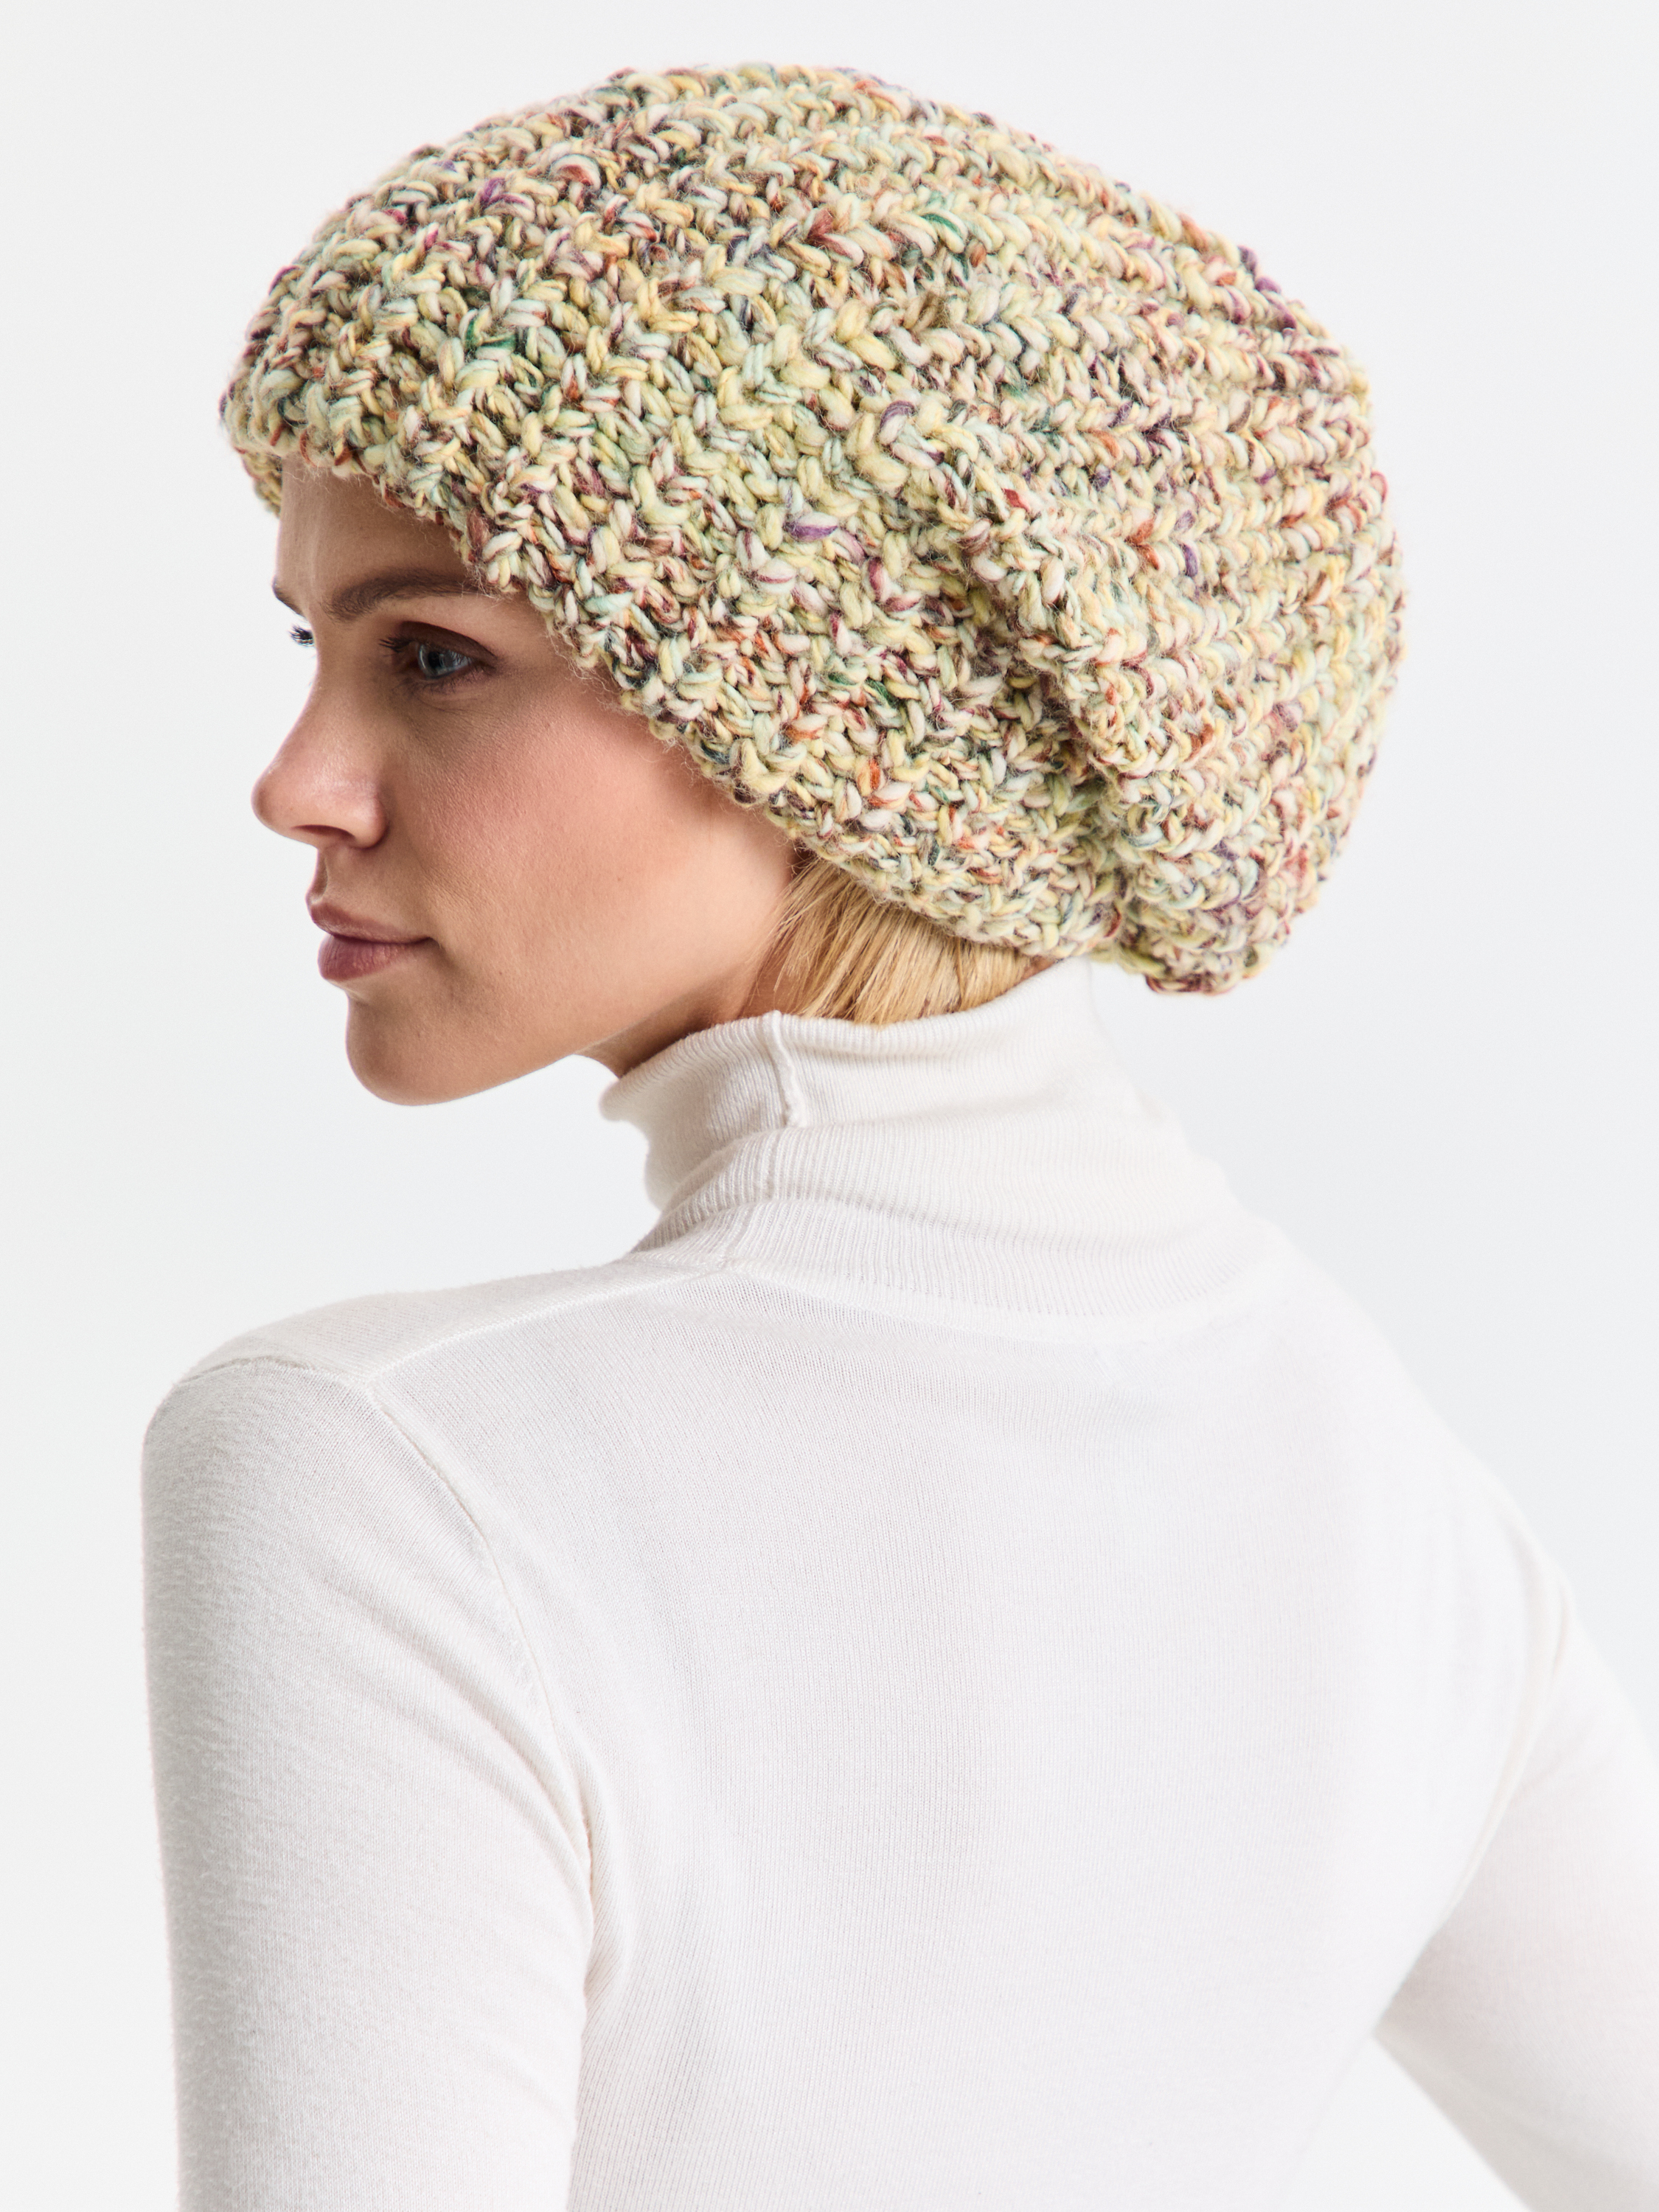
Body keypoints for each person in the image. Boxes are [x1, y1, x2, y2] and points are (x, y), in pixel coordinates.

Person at [142, 63, 1659, 2212]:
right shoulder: (1394, 1507)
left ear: (833, 724)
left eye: (435, 657)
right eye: (312, 645)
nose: (297, 780)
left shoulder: (381, 1468)